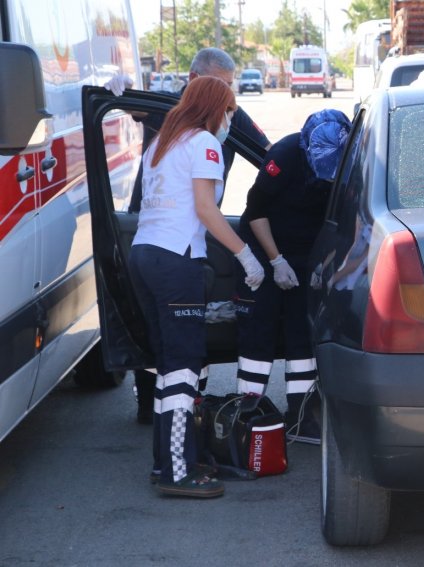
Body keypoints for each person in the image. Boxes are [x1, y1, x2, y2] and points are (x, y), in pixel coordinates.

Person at [107, 47, 272, 424]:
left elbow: (267, 156)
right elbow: (205, 207)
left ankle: (180, 415)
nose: (230, 104)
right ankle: (164, 416)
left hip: (166, 239)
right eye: (223, 87)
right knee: (174, 341)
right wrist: (121, 91)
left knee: (177, 342)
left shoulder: (225, 114)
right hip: (172, 234)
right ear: (198, 80)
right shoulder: (173, 111)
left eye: (232, 88)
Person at [128, 75, 265, 497]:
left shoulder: (161, 144)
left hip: (144, 256)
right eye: (228, 111)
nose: (229, 119)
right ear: (213, 109)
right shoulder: (204, 143)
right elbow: (207, 211)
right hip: (176, 261)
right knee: (185, 368)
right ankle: (177, 471)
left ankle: (167, 462)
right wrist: (246, 255)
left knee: (169, 369)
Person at [234, 109, 352, 445]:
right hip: (265, 243)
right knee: (260, 327)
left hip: (307, 252)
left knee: (302, 334)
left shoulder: (348, 159)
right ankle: (248, 413)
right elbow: (255, 212)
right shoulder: (285, 155)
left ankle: (300, 417)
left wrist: (323, 265)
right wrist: (275, 261)